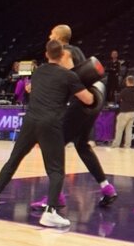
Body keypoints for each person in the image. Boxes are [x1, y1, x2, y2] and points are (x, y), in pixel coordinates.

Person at [0, 39, 95, 228]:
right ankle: (50, 213)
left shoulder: (38, 71)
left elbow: (31, 88)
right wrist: (90, 85)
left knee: (13, 160)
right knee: (56, 170)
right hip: (50, 124)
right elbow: (88, 99)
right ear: (62, 55)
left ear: (46, 54)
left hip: (30, 122)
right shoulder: (69, 76)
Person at [32, 24, 117, 209]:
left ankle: (56, 197)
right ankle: (107, 188)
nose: (49, 36)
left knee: (53, 145)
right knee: (82, 145)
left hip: (82, 102)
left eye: (52, 34)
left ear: (58, 37)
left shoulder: (64, 52)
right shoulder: (77, 50)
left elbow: (69, 79)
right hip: (94, 99)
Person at [111, 75, 134, 148]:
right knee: (129, 130)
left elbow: (118, 99)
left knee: (119, 129)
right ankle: (127, 145)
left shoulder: (125, 90)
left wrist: (122, 100)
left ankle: (116, 144)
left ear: (128, 81)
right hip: (133, 112)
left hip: (124, 112)